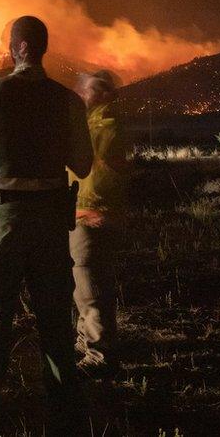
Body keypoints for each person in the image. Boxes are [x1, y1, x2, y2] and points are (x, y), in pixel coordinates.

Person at [0, 16, 94, 431]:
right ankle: (64, 405)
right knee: (53, 314)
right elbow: (82, 165)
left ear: (18, 48)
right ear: (42, 48)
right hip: (51, 219)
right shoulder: (68, 101)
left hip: (3, 218)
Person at [70, 70, 129, 378]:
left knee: (90, 284)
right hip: (87, 213)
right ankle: (88, 342)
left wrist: (89, 211)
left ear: (106, 94)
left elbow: (100, 172)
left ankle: (99, 355)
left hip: (90, 216)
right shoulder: (96, 122)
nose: (83, 94)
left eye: (90, 90)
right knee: (87, 284)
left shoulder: (105, 125)